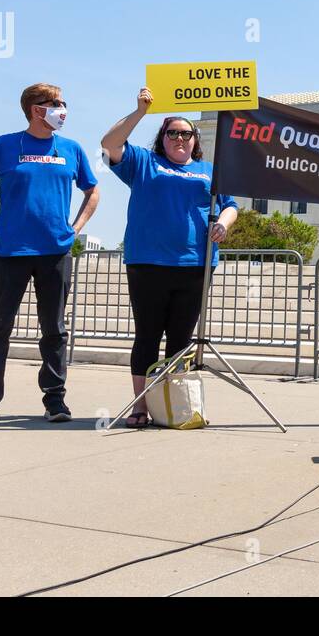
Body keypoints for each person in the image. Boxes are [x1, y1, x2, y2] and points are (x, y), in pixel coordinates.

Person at [100, 87, 238, 428]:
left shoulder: (210, 169)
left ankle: (176, 407)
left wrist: (222, 222)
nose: (179, 138)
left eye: (186, 133)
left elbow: (231, 205)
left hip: (195, 264)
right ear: (162, 138)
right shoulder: (143, 163)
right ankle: (140, 407)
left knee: (180, 339)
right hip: (148, 262)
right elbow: (109, 144)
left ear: (195, 140)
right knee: (147, 335)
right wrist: (139, 112)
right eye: (172, 132)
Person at [0, 83, 100, 425]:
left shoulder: (71, 148)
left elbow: (92, 191)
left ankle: (55, 400)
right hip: (11, 251)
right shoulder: (4, 145)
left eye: (63, 103)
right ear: (36, 109)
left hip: (55, 251)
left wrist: (75, 228)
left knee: (54, 328)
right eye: (55, 103)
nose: (62, 109)